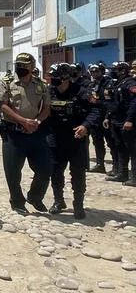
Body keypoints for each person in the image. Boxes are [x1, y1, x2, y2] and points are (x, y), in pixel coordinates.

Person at [0, 52, 51, 215]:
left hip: (35, 131)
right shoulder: (7, 82)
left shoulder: (41, 84)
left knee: (45, 168)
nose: (21, 69)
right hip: (13, 132)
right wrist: (23, 121)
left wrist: (36, 122)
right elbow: (3, 105)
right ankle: (17, 201)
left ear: (32, 67)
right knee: (12, 171)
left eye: (25, 66)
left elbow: (47, 107)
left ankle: (35, 196)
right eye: (19, 66)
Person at [45, 63, 100, 219]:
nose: (52, 80)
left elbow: (95, 110)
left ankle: (78, 204)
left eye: (56, 77)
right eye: (52, 77)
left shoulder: (81, 92)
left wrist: (85, 126)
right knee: (55, 172)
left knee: (78, 173)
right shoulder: (49, 91)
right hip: (55, 138)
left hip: (77, 138)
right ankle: (58, 201)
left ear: (66, 78)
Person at [104, 61, 136, 186]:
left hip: (126, 120)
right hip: (115, 120)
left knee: (132, 149)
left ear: (123, 70)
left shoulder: (131, 83)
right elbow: (112, 102)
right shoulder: (116, 83)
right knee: (119, 147)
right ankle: (122, 174)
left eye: (116, 69)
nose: (113, 71)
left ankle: (134, 177)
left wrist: (130, 120)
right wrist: (108, 117)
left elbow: (134, 103)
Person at [88, 63, 116, 174]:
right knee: (97, 142)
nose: (94, 73)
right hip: (95, 117)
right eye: (92, 72)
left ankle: (116, 166)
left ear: (102, 71)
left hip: (106, 116)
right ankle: (100, 164)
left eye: (96, 71)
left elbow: (110, 102)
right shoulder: (92, 84)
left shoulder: (108, 83)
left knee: (111, 142)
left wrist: (97, 102)